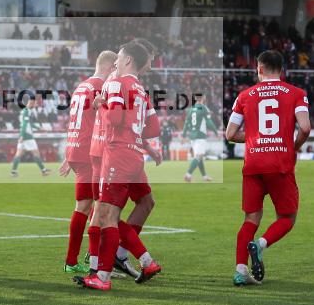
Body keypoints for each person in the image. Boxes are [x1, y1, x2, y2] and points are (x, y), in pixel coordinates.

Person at [75, 42, 162, 291]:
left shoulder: (116, 83)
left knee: (106, 215)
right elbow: (154, 128)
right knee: (117, 211)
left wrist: (102, 102)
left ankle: (102, 276)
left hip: (115, 154)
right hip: (135, 155)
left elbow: (114, 118)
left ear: (127, 61)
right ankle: (127, 262)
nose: (116, 61)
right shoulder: (141, 89)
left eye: (120, 56)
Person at [225, 50, 311, 287]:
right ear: (281, 69)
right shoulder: (296, 93)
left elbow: (230, 134)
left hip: (253, 163)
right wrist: (292, 146)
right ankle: (260, 245)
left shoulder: (244, 96)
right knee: (287, 217)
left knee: (250, 218)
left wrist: (254, 137)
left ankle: (240, 270)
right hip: (280, 163)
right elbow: (305, 127)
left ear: (259, 68)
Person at [58, 50, 116, 274]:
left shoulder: (81, 86)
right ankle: (74, 261)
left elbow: (76, 119)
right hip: (87, 152)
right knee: (87, 205)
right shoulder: (100, 89)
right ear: (111, 68)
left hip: (76, 147)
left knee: (93, 205)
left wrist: (68, 152)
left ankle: (92, 256)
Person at [9, 97, 51, 177]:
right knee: (36, 153)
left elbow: (30, 123)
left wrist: (39, 128)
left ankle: (13, 172)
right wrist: (22, 136)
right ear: (31, 103)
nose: (36, 105)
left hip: (23, 135)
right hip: (27, 136)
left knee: (18, 154)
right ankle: (43, 171)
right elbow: (25, 124)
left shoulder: (25, 111)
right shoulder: (26, 111)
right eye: (35, 103)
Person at [182, 96, 216, 182]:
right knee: (199, 156)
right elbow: (209, 122)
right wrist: (215, 131)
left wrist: (183, 135)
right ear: (203, 98)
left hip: (192, 137)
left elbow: (186, 123)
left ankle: (204, 176)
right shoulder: (204, 108)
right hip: (200, 135)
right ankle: (188, 174)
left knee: (199, 156)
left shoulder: (190, 109)